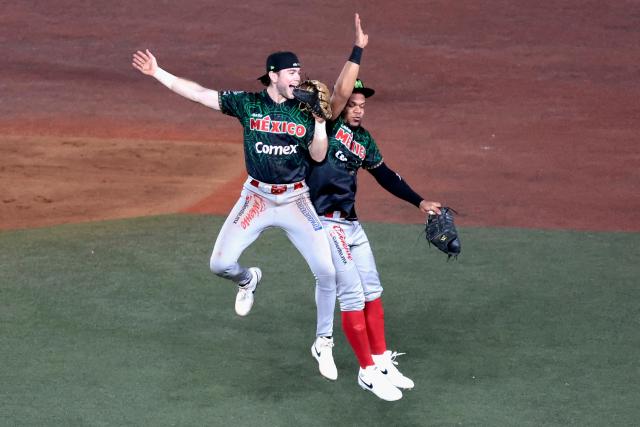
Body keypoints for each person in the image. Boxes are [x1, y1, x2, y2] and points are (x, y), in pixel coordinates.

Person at [131, 44, 339, 351]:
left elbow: (318, 157)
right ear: (273, 76)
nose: (298, 78)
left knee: (327, 271)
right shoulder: (248, 103)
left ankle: (324, 340)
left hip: (296, 200)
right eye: (292, 72)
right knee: (220, 264)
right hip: (256, 197)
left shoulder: (306, 111)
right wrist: (158, 72)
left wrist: (321, 124)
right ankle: (247, 280)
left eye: (298, 72)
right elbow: (200, 93)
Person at [307, 71, 442, 401]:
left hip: (351, 223)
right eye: (352, 104)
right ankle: (366, 372)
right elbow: (338, 93)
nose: (357, 110)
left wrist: (419, 201)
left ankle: (381, 363)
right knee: (352, 295)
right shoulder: (331, 124)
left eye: (362, 105)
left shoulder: (363, 140)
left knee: (372, 290)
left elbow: (385, 175)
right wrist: (357, 50)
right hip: (325, 223)